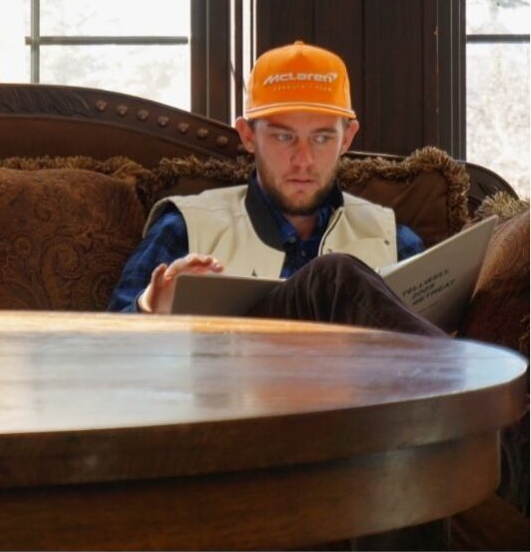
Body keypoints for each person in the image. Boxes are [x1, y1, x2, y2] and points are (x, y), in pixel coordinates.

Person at [109, 40, 442, 337]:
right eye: (283, 137)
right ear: (248, 136)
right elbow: (106, 342)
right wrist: (150, 308)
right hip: (233, 381)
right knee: (332, 275)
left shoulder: (394, 239)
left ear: (347, 138)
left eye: (321, 138)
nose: (303, 160)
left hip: (366, 387)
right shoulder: (185, 226)